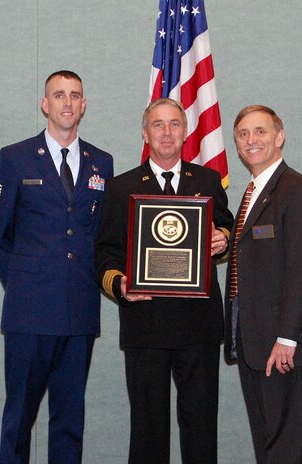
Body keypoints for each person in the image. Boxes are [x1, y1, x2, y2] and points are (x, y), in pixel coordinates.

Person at [0, 70, 114, 464]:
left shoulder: (102, 163)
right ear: (45, 104)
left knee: (69, 422)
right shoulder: (15, 157)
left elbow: (99, 235)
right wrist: (26, 284)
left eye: (75, 95)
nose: (67, 102)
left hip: (78, 312)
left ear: (84, 105)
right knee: (19, 418)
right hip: (30, 313)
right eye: (59, 95)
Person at [95, 98, 233, 464]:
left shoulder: (206, 180)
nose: (167, 132)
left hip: (199, 326)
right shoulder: (121, 187)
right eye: (158, 124)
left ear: (186, 132)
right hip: (146, 327)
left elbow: (226, 226)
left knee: (201, 428)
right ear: (145, 133)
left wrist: (222, 237)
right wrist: (121, 285)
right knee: (147, 430)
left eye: (175, 124)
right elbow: (105, 253)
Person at [225, 105, 302, 464]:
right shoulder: (255, 190)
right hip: (254, 340)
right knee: (270, 444)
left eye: (260, 132)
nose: (251, 140)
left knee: (286, 446)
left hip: (281, 345)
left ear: (279, 137)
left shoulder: (297, 190)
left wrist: (287, 339)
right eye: (243, 134)